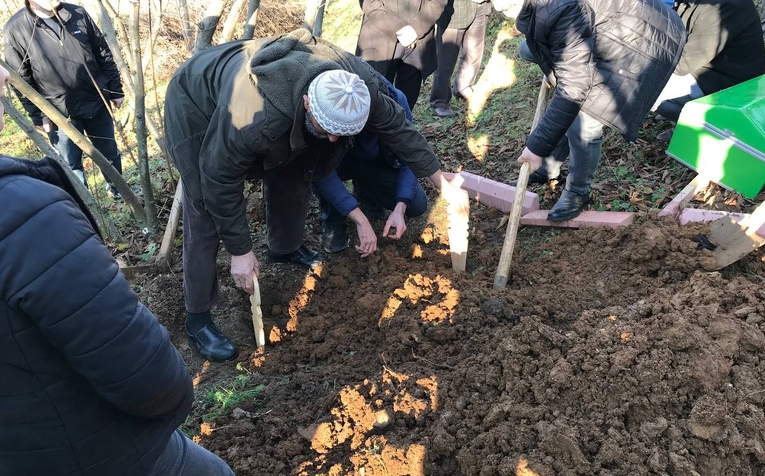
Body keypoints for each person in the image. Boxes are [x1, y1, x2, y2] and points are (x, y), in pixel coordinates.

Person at [163, 28, 467, 362]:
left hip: (272, 97)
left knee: (297, 171)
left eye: (342, 134)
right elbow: (218, 177)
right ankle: (198, 318)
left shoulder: (358, 86)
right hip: (197, 101)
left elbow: (399, 129)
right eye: (329, 131)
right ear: (307, 104)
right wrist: (240, 250)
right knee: (203, 204)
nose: (335, 141)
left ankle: (284, 248)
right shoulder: (254, 114)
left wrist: (440, 180)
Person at [0, 65, 234, 476]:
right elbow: (146, 377)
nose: (4, 78)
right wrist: (174, 404)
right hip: (99, 452)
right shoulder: (25, 216)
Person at [496, 0, 686, 221]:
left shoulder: (562, 8)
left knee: (584, 120)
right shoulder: (549, 9)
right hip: (604, 23)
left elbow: (574, 88)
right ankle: (549, 165)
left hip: (640, 38)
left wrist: (536, 147)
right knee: (529, 52)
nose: (497, 7)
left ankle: (578, 191)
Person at [4, 0, 126, 197]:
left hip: (95, 99)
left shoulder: (77, 13)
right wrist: (39, 116)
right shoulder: (16, 28)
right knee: (70, 163)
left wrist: (115, 89)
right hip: (57, 113)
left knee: (109, 151)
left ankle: (119, 190)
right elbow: (22, 80)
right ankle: (85, 202)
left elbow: (102, 51)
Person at [315, 76, 427, 256]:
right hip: (339, 161)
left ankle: (365, 192)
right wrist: (361, 221)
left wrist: (400, 207)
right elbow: (320, 171)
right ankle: (333, 219)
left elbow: (409, 157)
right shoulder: (336, 106)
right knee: (324, 174)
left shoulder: (397, 102)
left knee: (417, 203)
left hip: (375, 161)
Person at [653, 0, 765, 139]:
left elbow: (681, 65)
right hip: (712, 70)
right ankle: (682, 113)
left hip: (733, 88)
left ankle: (707, 126)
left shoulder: (721, 6)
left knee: (645, 86)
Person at [356, 0, 447, 109]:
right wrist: (400, 28)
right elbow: (369, 2)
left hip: (418, 38)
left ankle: (403, 124)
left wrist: (416, 29)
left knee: (408, 100)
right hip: (379, 35)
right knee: (375, 97)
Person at [430, 0, 491, 117]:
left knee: (474, 51)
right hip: (454, 11)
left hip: (481, 7)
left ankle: (463, 86)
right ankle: (439, 101)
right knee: (445, 60)